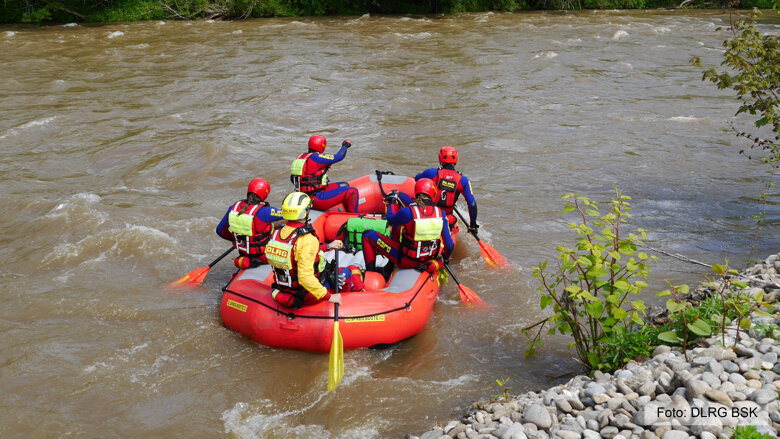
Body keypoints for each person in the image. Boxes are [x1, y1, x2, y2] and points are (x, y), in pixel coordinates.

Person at [264, 192, 345, 309]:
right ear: (305, 212)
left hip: (283, 289)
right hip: (307, 295)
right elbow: (304, 277)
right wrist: (329, 296)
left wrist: (328, 247)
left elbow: (295, 252)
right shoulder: (307, 239)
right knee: (348, 273)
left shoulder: (276, 233)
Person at [362, 179, 454, 279]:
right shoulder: (441, 214)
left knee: (367, 235)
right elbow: (449, 245)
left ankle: (370, 274)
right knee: (398, 228)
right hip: (428, 259)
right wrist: (444, 259)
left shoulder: (407, 212)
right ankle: (388, 267)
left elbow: (390, 219)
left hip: (406, 261)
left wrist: (392, 203)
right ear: (433, 194)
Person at [216, 178, 282, 269]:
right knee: (281, 227)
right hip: (263, 256)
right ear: (265, 195)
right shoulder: (266, 211)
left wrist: (235, 240)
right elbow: (287, 214)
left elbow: (220, 230)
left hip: (243, 253)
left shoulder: (233, 208)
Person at [414, 145, 478, 232]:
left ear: (440, 158)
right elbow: (472, 204)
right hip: (447, 219)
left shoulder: (431, 173)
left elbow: (417, 179)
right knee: (451, 219)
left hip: (430, 215)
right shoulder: (463, 180)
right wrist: (473, 225)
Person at [290, 135, 360, 213]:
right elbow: (339, 156)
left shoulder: (300, 158)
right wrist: (345, 145)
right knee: (353, 192)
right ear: (322, 146)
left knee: (344, 185)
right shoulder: (316, 158)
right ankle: (353, 218)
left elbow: (293, 179)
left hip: (304, 197)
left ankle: (342, 212)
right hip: (316, 199)